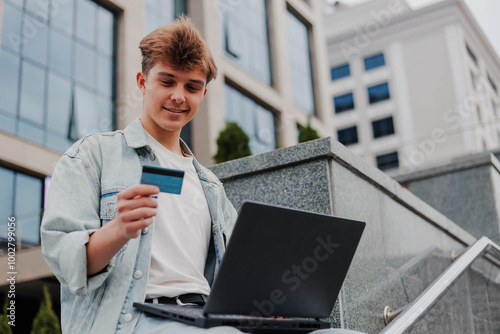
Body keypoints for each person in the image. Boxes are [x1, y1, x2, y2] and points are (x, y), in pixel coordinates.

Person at [41, 16, 363, 334]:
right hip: (132, 319)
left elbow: (243, 273)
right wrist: (117, 231)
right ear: (142, 82)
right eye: (167, 81)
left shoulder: (210, 187)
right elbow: (65, 262)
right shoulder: (92, 156)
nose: (179, 96)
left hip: (209, 318)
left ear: (203, 95)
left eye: (191, 87)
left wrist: (271, 304)